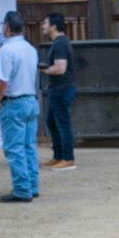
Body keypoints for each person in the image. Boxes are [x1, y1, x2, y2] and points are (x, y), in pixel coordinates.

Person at [0, 11, 39, 203]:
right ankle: (32, 185)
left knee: (15, 149)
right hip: (30, 100)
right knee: (29, 146)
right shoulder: (30, 48)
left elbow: (3, 81)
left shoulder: (6, 51)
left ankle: (21, 189)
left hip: (14, 102)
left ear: (6, 28)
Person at [39, 12, 76, 171]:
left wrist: (44, 70)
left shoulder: (60, 44)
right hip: (59, 89)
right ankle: (58, 156)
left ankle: (68, 158)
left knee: (62, 124)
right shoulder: (60, 42)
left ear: (53, 26)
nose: (42, 26)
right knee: (52, 123)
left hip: (61, 89)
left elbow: (60, 69)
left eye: (45, 23)